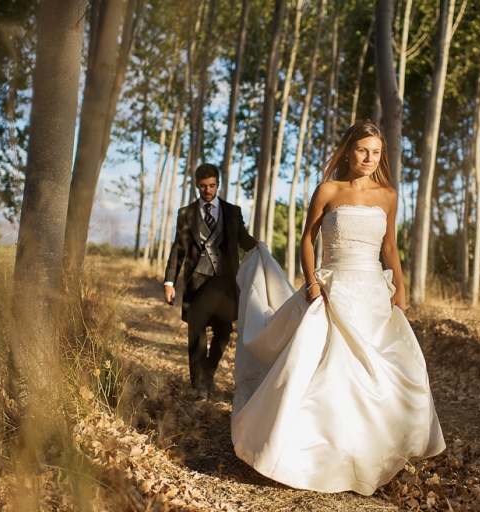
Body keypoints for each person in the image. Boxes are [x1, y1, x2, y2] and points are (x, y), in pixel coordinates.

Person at [231, 121, 445, 495]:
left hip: (374, 294)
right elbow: (308, 238)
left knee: (381, 372)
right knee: (321, 371)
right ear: (348, 150)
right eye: (362, 150)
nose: (369, 158)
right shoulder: (328, 190)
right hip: (331, 290)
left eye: (375, 152)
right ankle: (309, 454)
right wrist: (312, 281)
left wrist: (401, 290)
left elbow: (390, 248)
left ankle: (368, 450)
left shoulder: (388, 196)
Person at [163, 163, 257, 401]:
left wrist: (261, 250)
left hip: (225, 282)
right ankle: (199, 386)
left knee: (224, 332)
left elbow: (244, 240)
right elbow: (179, 249)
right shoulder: (186, 213)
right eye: (203, 186)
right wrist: (169, 282)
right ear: (197, 185)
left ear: (218, 184)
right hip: (197, 282)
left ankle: (207, 373)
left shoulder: (233, 212)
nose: (208, 190)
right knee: (196, 334)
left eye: (212, 185)